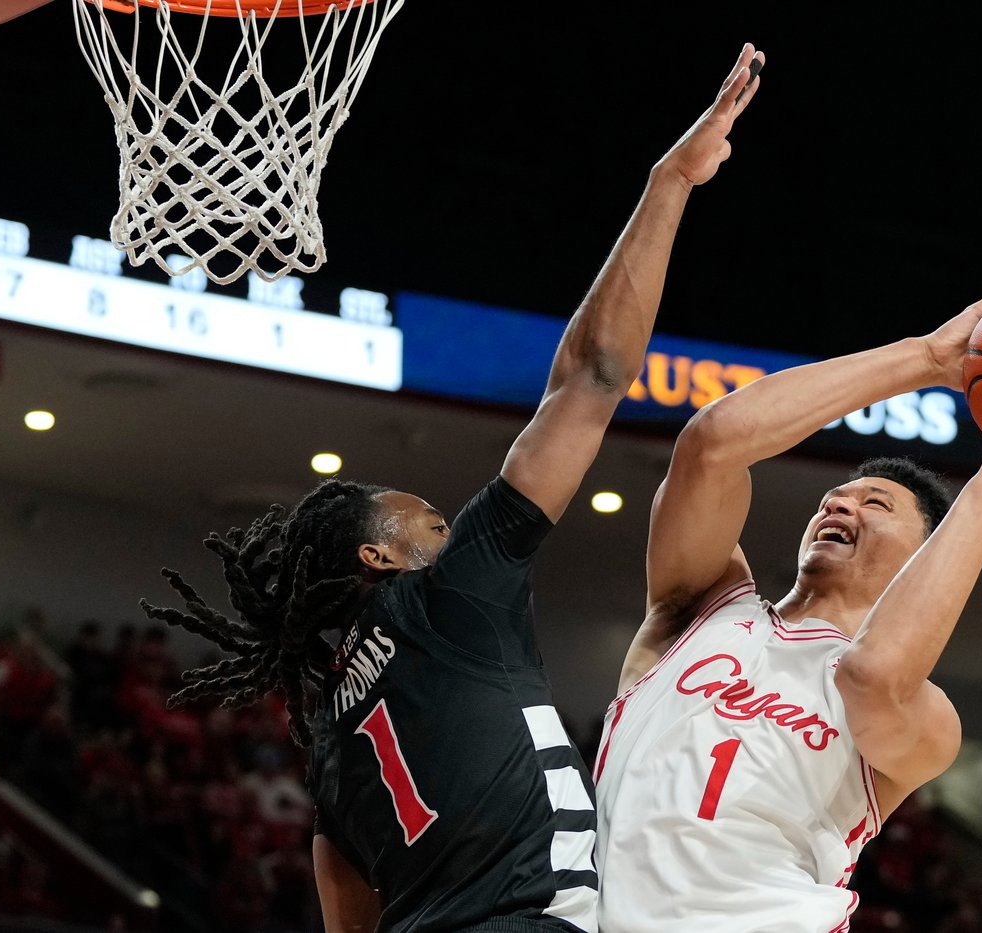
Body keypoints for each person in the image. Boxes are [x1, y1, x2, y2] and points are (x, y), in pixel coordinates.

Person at [139, 43, 766, 933]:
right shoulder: (447, 595)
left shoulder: (330, 748)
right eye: (426, 520)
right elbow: (590, 374)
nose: (446, 521)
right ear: (378, 554)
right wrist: (669, 184)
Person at [592, 273, 982, 932]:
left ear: (923, 556)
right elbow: (711, 444)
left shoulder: (929, 719)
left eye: (875, 504)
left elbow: (870, 674)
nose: (840, 505)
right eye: (833, 501)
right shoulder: (701, 609)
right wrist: (926, 358)